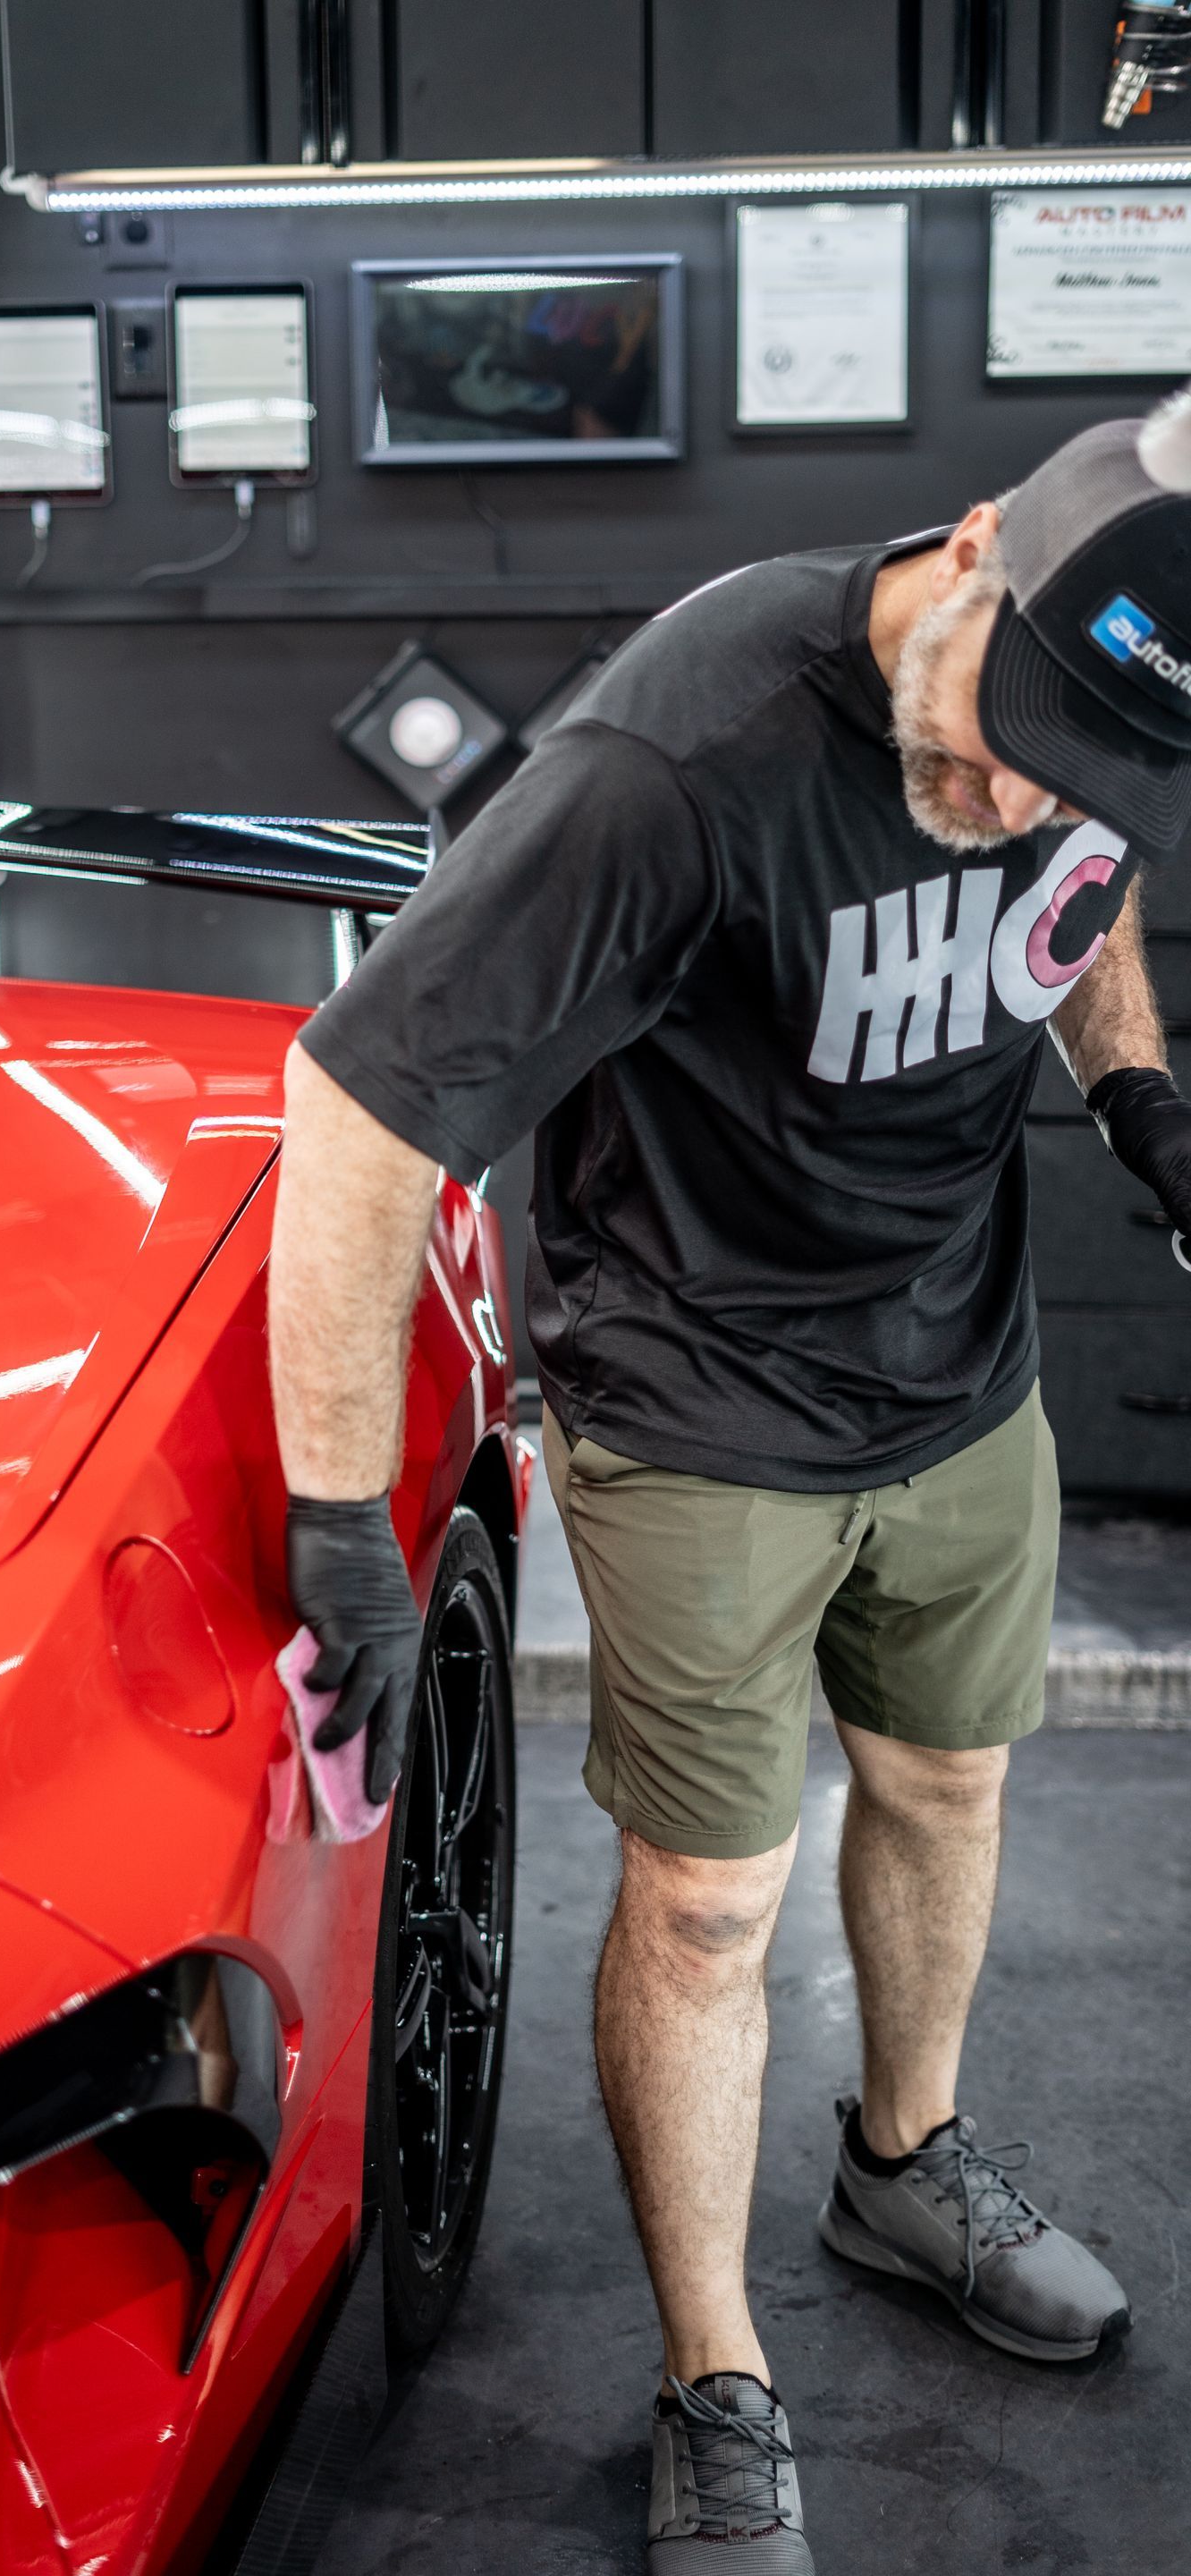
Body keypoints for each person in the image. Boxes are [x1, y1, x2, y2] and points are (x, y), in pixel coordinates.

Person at [268, 399, 1191, 2572]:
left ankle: (903, 2165)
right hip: (694, 1400)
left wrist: (1133, 1082)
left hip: (959, 1372)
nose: (1002, 797)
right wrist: (338, 1516)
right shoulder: (668, 765)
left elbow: (1086, 897)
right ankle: (715, 2367)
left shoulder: (1086, 730)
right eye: (989, 729)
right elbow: (359, 1113)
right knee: (707, 1898)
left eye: (1072, 767)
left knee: (951, 1785)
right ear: (970, 548)